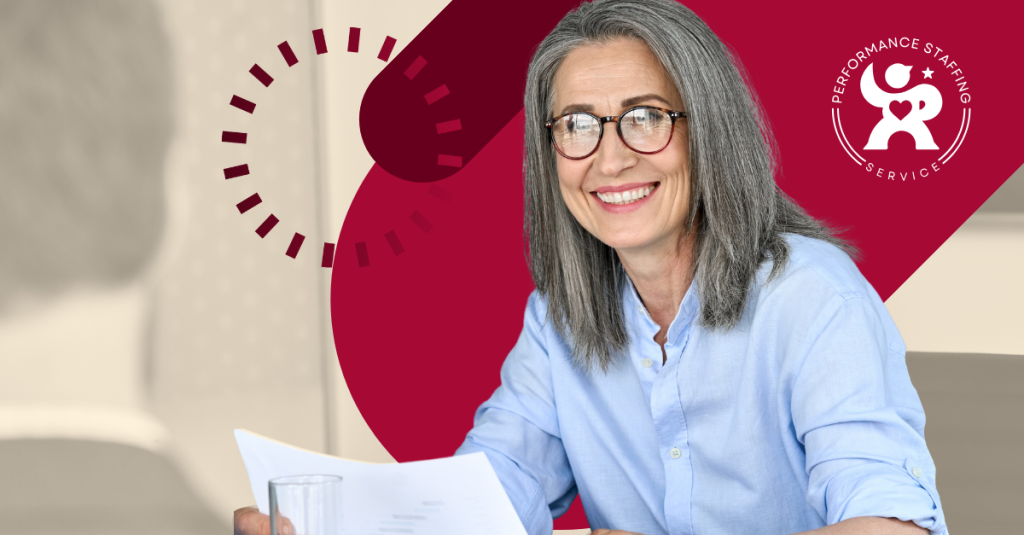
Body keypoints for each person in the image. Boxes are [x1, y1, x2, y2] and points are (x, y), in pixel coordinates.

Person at [236, 0, 946, 533]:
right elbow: (492, 488)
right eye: (576, 124)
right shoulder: (558, 318)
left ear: (710, 131)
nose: (609, 158)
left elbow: (888, 524)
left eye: (646, 116)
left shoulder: (813, 298)